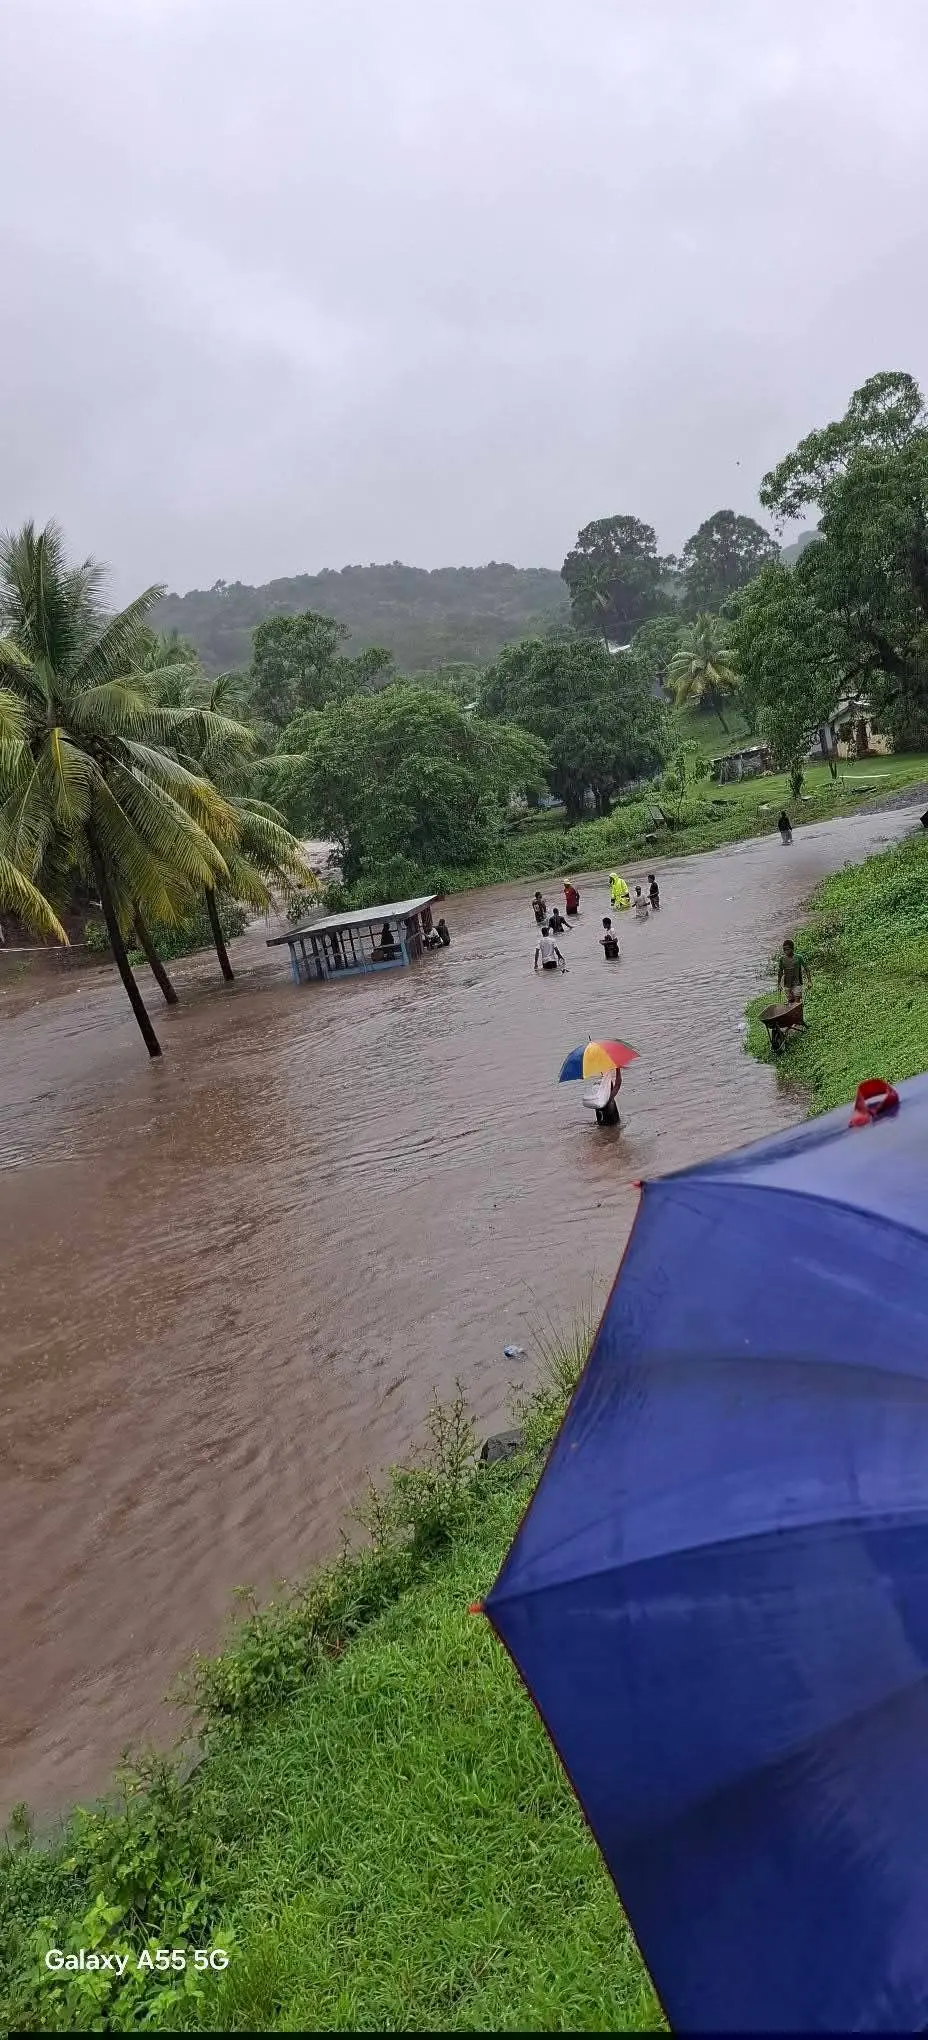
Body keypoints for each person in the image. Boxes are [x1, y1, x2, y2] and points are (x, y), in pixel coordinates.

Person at [777, 938, 809, 1002]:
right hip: (787, 985)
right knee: (790, 1002)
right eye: (784, 949)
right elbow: (780, 972)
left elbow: (806, 969)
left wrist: (809, 981)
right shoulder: (782, 959)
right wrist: (778, 984)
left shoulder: (799, 957)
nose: (786, 951)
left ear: (792, 949)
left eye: (788, 949)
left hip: (797, 984)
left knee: (797, 1002)